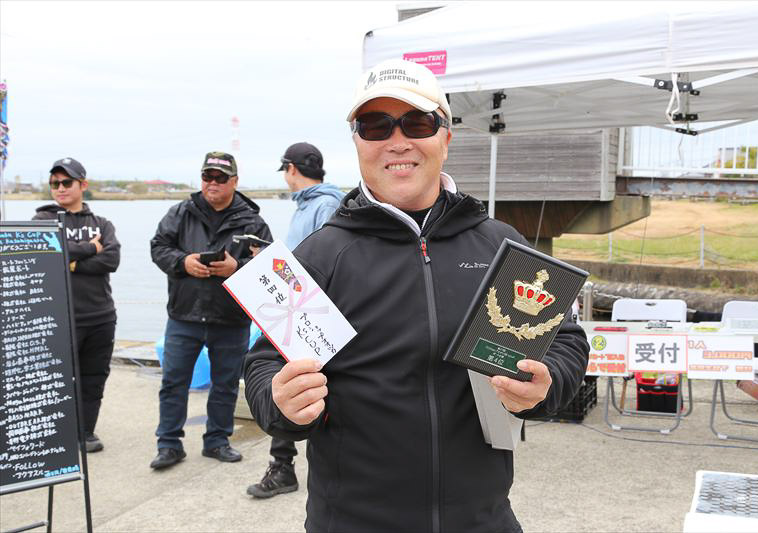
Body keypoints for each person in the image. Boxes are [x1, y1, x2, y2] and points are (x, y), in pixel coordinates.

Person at [244, 59, 589, 531]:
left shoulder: (498, 243)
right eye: (375, 125)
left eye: (417, 122)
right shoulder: (320, 254)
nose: (397, 141)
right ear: (357, 142)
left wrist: (545, 386)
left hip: (482, 519)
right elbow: (265, 361)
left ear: (445, 138)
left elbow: (565, 340)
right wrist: (280, 401)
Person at [149, 151, 272, 470]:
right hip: (184, 315)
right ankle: (168, 444)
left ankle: (217, 440)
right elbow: (158, 247)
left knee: (226, 384)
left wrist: (236, 267)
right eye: (207, 176)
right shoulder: (180, 213)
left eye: (220, 177)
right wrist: (183, 262)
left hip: (231, 319)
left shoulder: (253, 221)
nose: (212, 183)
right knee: (173, 382)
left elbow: (269, 268)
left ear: (235, 181)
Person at [247, 142, 344, 498]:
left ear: (291, 169)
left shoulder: (325, 204)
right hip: (297, 306)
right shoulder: (308, 203)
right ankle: (282, 464)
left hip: (309, 314)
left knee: (297, 387)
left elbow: (323, 263)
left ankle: (283, 467)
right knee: (289, 388)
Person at [33, 157, 120, 453]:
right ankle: (56, 433)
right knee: (55, 379)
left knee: (93, 378)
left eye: (66, 182)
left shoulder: (102, 223)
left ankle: (86, 432)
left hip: (100, 316)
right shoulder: (42, 221)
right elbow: (44, 253)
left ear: (83, 185)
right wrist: (90, 248)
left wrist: (71, 262)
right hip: (57, 317)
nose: (60, 188)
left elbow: (111, 260)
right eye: (54, 183)